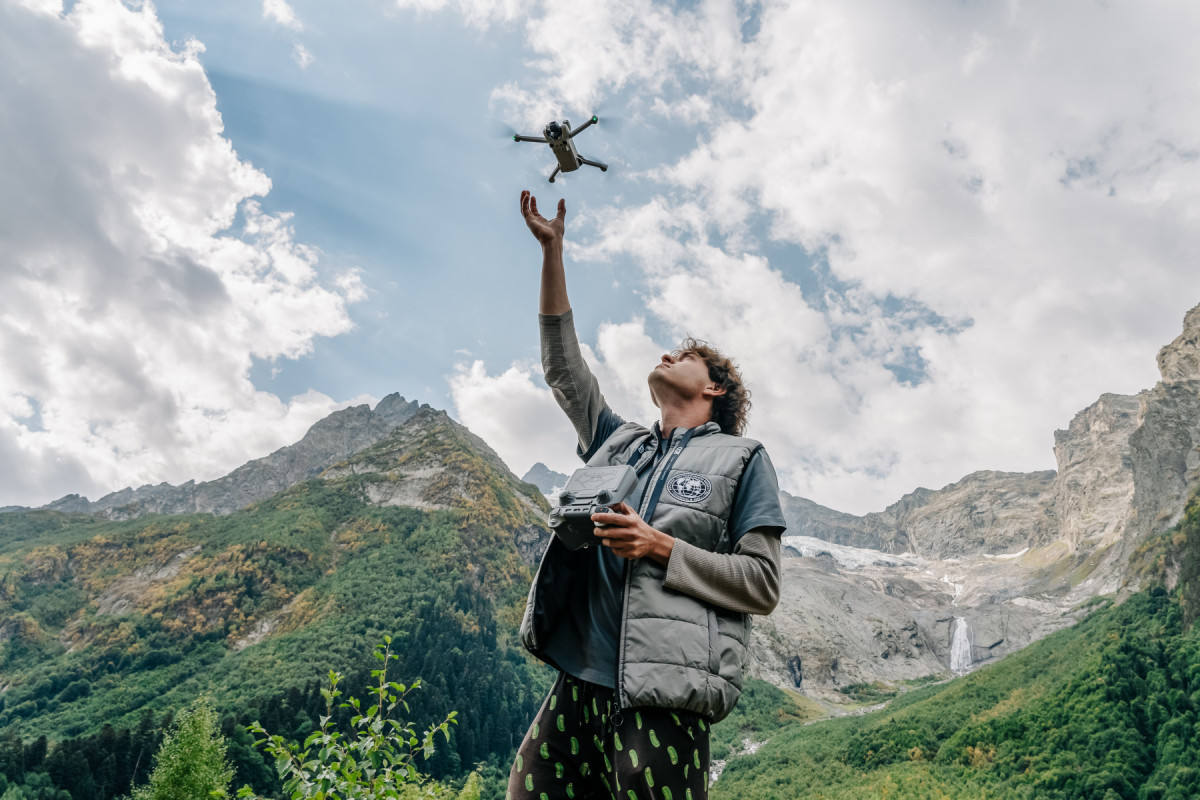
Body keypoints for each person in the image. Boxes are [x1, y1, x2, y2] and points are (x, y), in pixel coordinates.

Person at [509, 190, 786, 800]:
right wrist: (553, 251)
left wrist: (659, 546)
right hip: (577, 684)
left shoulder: (743, 460)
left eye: (682, 356)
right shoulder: (619, 441)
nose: (666, 355)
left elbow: (762, 584)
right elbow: (563, 368)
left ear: (713, 387)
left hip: (663, 696)